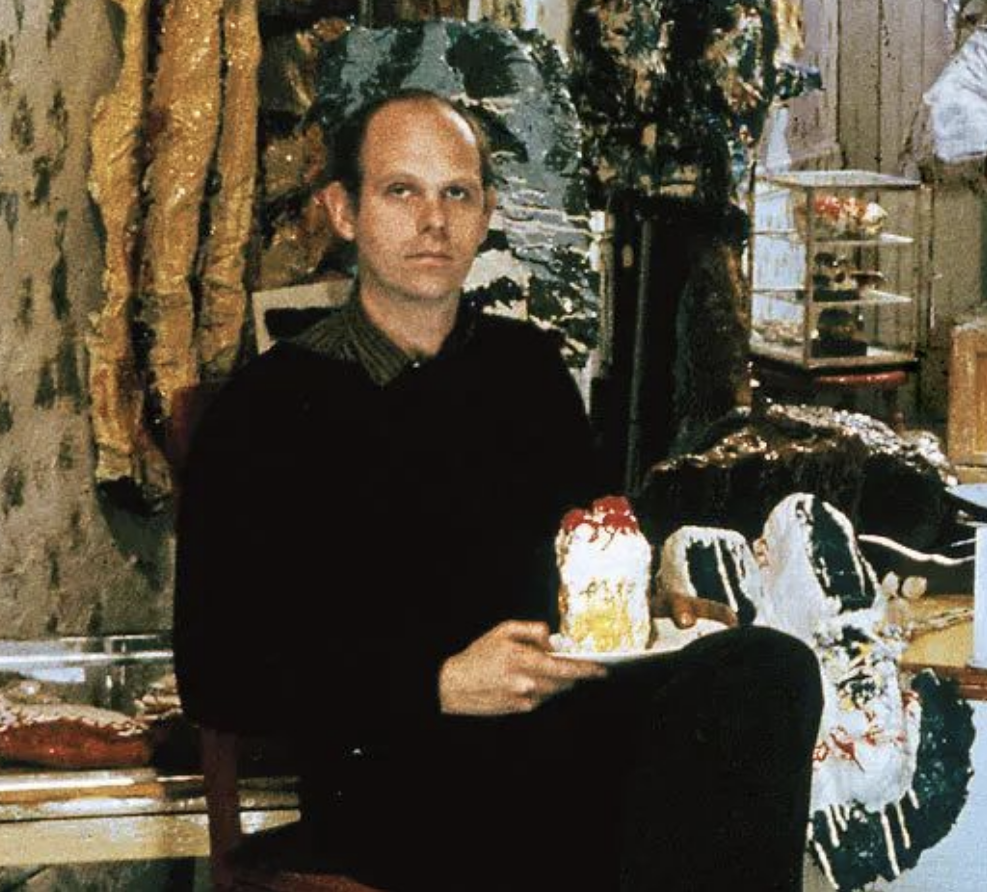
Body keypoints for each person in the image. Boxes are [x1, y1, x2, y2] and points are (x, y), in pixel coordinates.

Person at [174, 90, 823, 891]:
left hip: (563, 736)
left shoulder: (525, 371)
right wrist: (438, 684)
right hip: (400, 774)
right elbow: (218, 670)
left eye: (457, 193)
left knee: (768, 669)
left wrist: (647, 607)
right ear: (343, 212)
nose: (433, 221)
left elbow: (582, 551)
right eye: (401, 191)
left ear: (485, 216)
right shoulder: (269, 409)